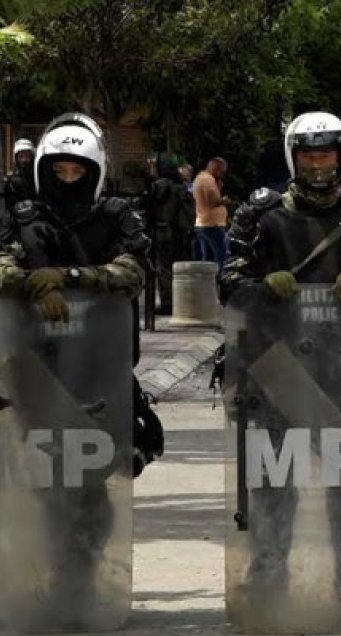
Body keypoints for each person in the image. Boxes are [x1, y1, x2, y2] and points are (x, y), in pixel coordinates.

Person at [219, 111, 341, 614]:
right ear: (292, 157)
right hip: (276, 372)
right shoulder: (261, 214)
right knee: (274, 489)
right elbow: (229, 282)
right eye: (308, 154)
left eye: (325, 154)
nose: (318, 164)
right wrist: (262, 285)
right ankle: (267, 586)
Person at [0, 112, 163, 620]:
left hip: (99, 370)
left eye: (77, 171)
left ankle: (83, 578)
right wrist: (30, 282)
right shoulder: (21, 214)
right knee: (44, 485)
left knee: (93, 487)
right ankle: (49, 582)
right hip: (35, 371)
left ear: (93, 172)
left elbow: (134, 268)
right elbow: (1, 261)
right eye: (58, 170)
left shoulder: (117, 214)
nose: (67, 179)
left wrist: (68, 276)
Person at [149, 156, 195, 314]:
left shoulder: (159, 185)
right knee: (177, 267)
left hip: (162, 231)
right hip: (180, 232)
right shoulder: (181, 186)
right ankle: (181, 302)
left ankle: (167, 302)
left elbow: (149, 207)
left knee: (163, 267)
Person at [192, 157, 230, 270]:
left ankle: (209, 283)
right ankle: (218, 281)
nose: (223, 174)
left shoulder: (199, 178)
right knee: (219, 257)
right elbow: (212, 201)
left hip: (203, 222)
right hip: (212, 224)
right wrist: (225, 201)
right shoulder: (208, 180)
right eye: (222, 171)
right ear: (215, 168)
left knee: (207, 258)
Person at [3, 138, 36, 210]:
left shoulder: (38, 176)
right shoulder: (10, 179)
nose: (24, 160)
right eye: (21, 156)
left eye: (27, 156)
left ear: (32, 157)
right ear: (16, 158)